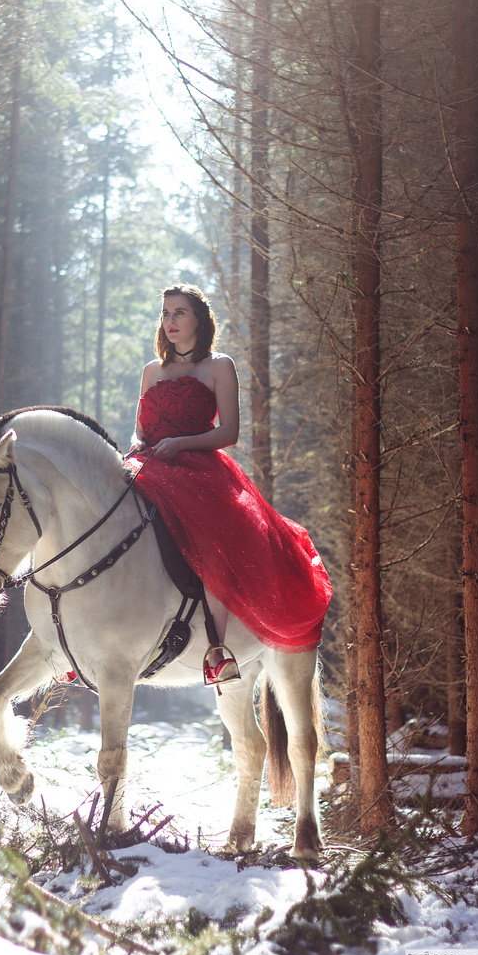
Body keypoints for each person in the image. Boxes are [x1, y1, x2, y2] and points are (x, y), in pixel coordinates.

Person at [126, 283, 332, 688]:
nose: (170, 321)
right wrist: (137, 447)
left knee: (214, 540)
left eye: (179, 313)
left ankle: (216, 651)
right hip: (150, 464)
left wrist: (180, 444)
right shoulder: (152, 370)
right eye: (166, 313)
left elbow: (229, 433)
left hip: (200, 471)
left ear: (199, 319)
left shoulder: (219, 365)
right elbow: (138, 430)